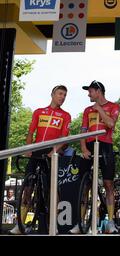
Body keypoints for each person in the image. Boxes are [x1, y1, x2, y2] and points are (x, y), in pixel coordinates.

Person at [10, 85, 71, 235]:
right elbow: (31, 131)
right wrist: (28, 148)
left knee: (52, 189)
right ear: (52, 94)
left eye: (64, 95)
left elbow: (64, 138)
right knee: (28, 188)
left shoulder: (66, 115)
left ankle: (53, 225)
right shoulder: (39, 112)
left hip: (52, 153)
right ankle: (20, 224)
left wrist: (54, 151)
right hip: (36, 151)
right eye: (60, 94)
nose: (62, 97)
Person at [69, 81, 120, 234]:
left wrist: (100, 110)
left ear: (98, 91)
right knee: (84, 186)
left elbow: (111, 124)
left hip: (105, 146)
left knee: (108, 184)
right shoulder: (87, 110)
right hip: (89, 146)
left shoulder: (113, 106)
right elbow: (83, 131)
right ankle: (80, 223)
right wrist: (83, 148)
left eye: (90, 91)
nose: (88, 94)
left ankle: (110, 222)